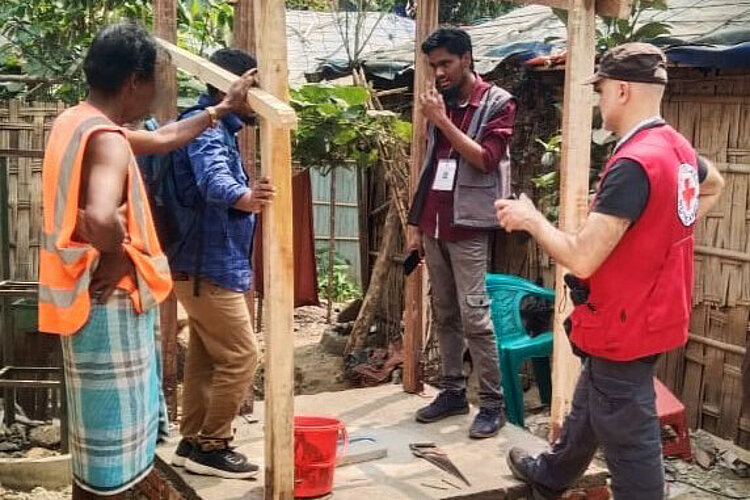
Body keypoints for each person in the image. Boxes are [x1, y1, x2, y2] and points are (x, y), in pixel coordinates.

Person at [496, 43, 725, 499]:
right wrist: (663, 227)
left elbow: (581, 257)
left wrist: (531, 220)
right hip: (652, 316)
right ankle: (551, 474)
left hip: (625, 325)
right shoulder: (675, 148)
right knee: (593, 401)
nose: (599, 100)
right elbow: (714, 183)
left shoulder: (634, 163)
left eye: (600, 91)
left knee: (629, 435)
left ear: (621, 90)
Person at [39, 22, 256, 499]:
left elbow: (163, 139)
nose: (159, 92)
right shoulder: (109, 141)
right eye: (156, 80)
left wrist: (220, 108)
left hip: (79, 302)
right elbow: (99, 214)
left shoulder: (77, 122)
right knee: (115, 447)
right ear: (134, 82)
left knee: (97, 441)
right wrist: (115, 255)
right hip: (109, 303)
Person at [167, 48, 275, 479]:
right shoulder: (208, 128)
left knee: (207, 358)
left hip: (197, 265)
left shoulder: (210, 126)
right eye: (256, 86)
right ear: (233, 85)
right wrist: (246, 198)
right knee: (242, 357)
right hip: (207, 266)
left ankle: (191, 442)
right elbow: (214, 181)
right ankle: (213, 445)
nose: (260, 96)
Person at [406, 27, 515, 438]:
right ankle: (452, 391)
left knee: (476, 317)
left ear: (467, 58)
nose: (439, 73)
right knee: (445, 312)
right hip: (435, 222)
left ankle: (492, 403)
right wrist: (416, 224)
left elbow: (487, 159)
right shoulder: (443, 102)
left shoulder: (498, 102)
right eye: (433, 66)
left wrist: (440, 121)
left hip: (469, 225)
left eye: (445, 64)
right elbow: (432, 164)